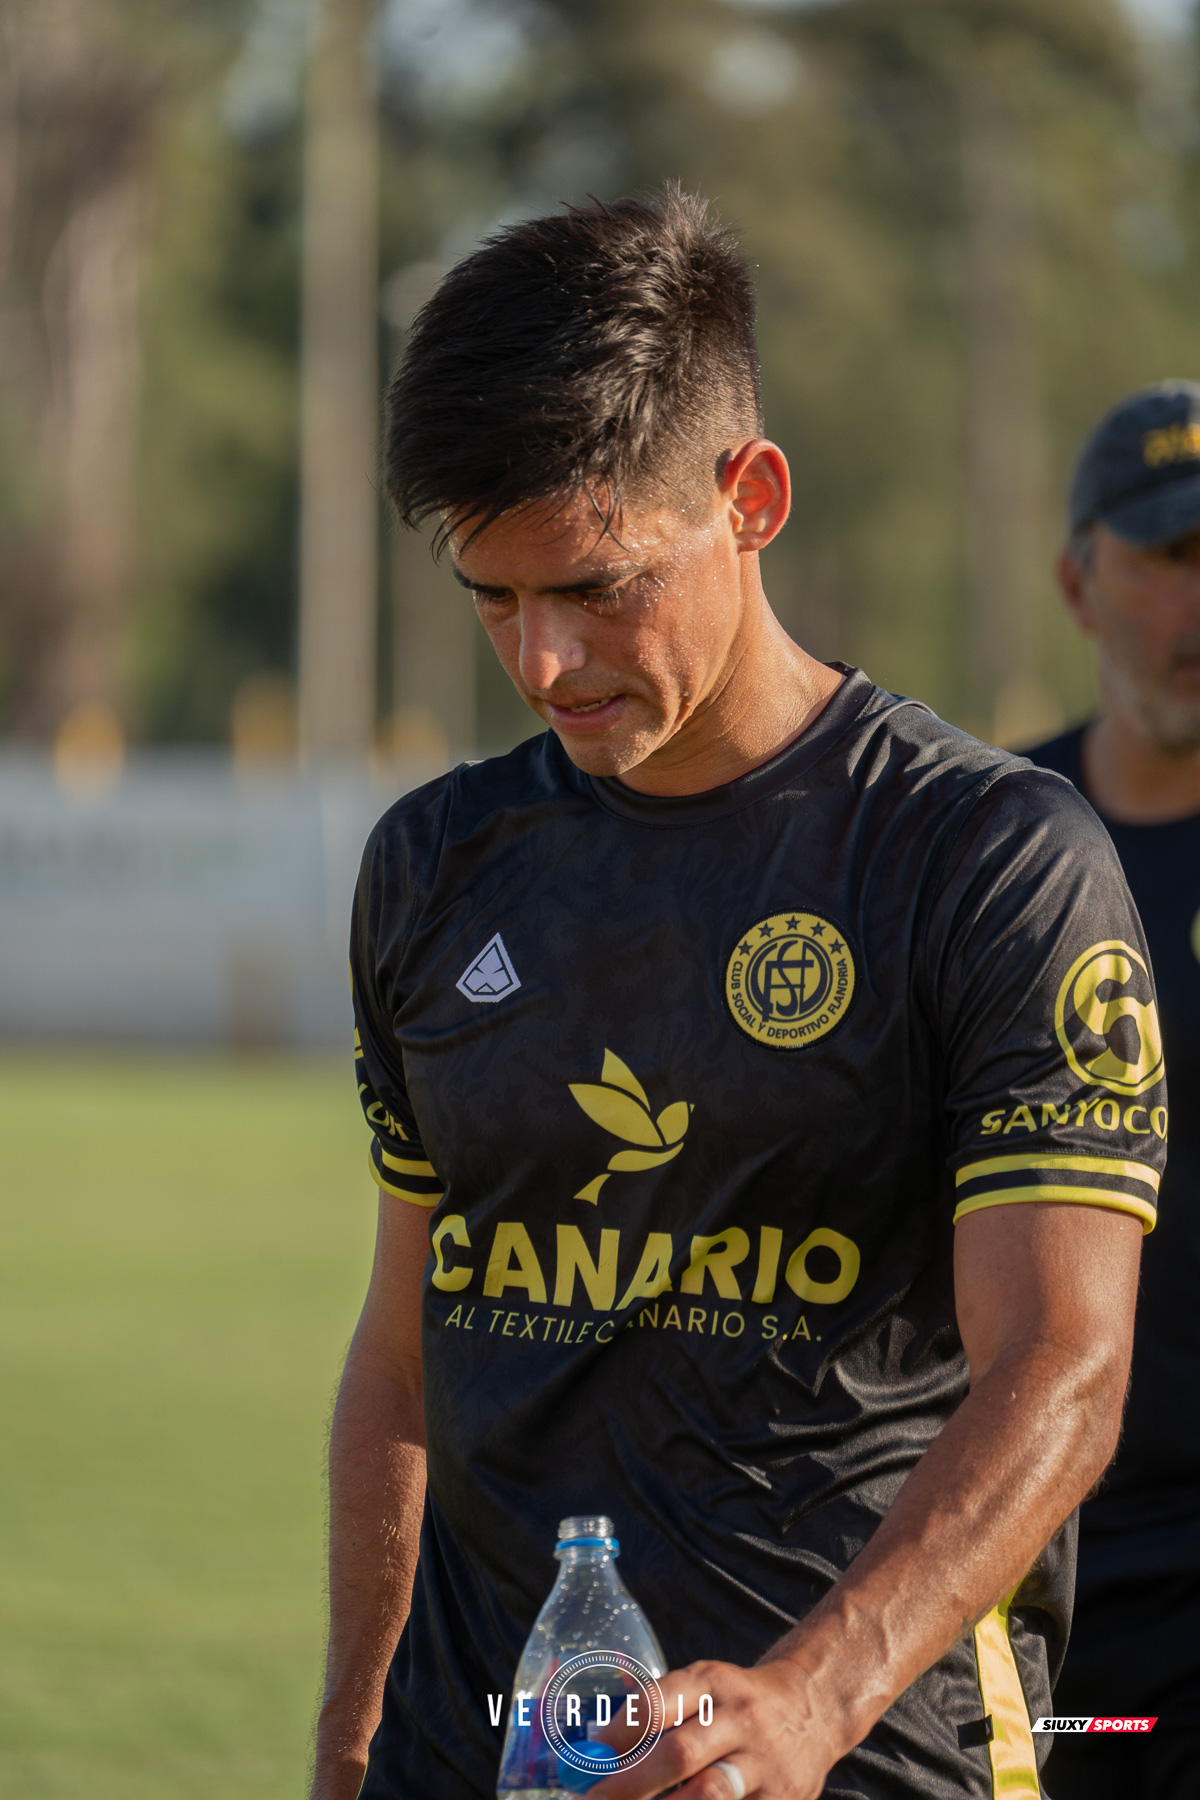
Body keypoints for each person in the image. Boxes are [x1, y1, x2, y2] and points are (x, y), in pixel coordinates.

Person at [310, 189, 1163, 1800]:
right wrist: (356, 1741)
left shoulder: (984, 858)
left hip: (856, 1760)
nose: (545, 661)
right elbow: (404, 1355)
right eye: (494, 597)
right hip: (469, 1756)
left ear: (750, 496)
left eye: (598, 583)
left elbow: (1066, 1362)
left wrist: (810, 1698)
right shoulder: (433, 865)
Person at [1024, 381, 1200, 1800]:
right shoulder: (991, 854)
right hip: (1050, 1563)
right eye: (1170, 558)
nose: (1199, 601)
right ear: (1082, 584)